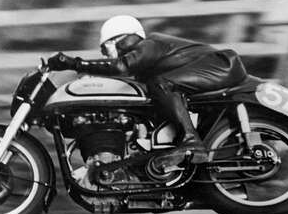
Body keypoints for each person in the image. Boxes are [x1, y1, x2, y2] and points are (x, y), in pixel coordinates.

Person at [48, 15, 247, 171]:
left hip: (220, 65)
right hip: (209, 70)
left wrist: (74, 63)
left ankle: (191, 142)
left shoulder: (150, 43)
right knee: (152, 92)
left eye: (105, 48)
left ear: (119, 39)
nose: (104, 54)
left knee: (162, 84)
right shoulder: (146, 62)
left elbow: (121, 66)